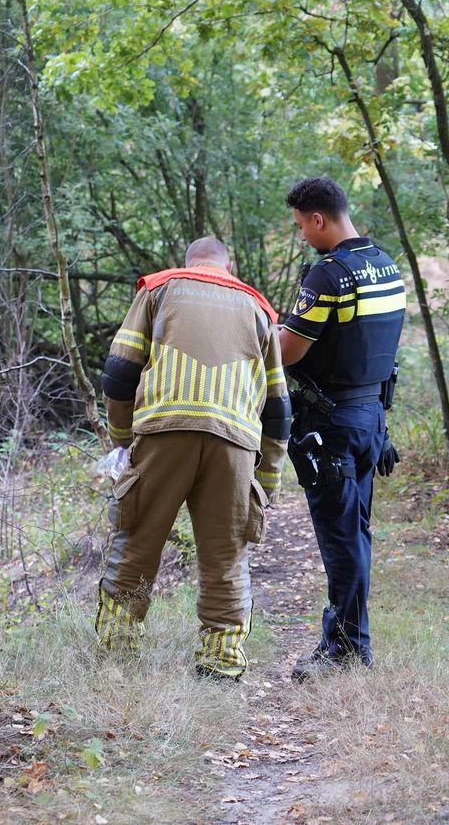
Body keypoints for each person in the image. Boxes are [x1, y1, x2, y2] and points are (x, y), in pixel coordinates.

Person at [96, 236, 291, 681]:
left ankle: (117, 655)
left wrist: (123, 439)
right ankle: (220, 664)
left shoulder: (159, 289)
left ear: (190, 262)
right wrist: (269, 477)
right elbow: (279, 406)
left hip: (164, 431)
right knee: (226, 555)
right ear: (228, 265)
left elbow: (121, 371)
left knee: (138, 542)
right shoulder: (258, 308)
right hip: (235, 442)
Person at [279, 177, 404, 683]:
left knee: (341, 539)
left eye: (301, 227)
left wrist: (272, 330)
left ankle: (348, 649)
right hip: (371, 419)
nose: (303, 237)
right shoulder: (386, 265)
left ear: (318, 219)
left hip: (330, 425)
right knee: (357, 533)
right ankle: (348, 640)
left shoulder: (328, 276)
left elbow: (288, 351)